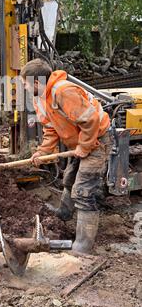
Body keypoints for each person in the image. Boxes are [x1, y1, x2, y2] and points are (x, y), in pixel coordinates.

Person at [21, 58, 112, 254]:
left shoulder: (63, 91)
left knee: (84, 190)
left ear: (36, 82)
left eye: (25, 84)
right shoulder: (41, 98)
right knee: (70, 178)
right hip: (80, 141)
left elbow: (91, 120)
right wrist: (43, 151)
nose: (25, 88)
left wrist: (85, 147)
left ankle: (83, 245)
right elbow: (51, 128)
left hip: (97, 138)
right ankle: (64, 212)